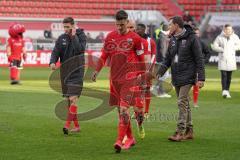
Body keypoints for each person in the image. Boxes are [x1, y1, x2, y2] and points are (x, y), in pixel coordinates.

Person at [91, 10, 145, 153]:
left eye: (122, 24)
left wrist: (143, 76)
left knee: (124, 109)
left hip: (130, 78)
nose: (120, 27)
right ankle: (131, 138)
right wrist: (96, 70)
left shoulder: (135, 38)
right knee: (120, 112)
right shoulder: (110, 37)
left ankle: (119, 141)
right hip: (114, 79)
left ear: (127, 22)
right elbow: (103, 56)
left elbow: (141, 59)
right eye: (117, 24)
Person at [156, 16, 205, 141]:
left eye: (170, 24)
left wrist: (201, 78)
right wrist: (159, 72)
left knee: (181, 101)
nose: (169, 27)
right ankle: (190, 131)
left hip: (188, 75)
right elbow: (167, 59)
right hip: (176, 75)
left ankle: (180, 131)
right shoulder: (172, 39)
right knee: (185, 104)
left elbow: (199, 59)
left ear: (177, 25)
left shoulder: (192, 38)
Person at [49, 17, 86, 135]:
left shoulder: (81, 36)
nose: (65, 29)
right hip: (65, 73)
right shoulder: (61, 38)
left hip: (77, 71)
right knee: (68, 101)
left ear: (73, 25)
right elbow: (56, 51)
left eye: (68, 27)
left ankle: (66, 125)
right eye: (64, 27)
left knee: (73, 98)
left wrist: (74, 36)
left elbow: (80, 50)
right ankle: (77, 126)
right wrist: (52, 62)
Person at [212, 24, 240, 98]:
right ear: (224, 30)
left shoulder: (235, 37)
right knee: (224, 75)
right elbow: (214, 46)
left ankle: (227, 90)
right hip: (223, 58)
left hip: (231, 59)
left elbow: (239, 45)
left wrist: (233, 48)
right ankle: (224, 91)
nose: (228, 31)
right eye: (227, 29)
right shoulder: (219, 37)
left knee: (229, 76)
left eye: (230, 29)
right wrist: (222, 49)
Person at [136, 23, 157, 118]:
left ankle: (146, 112)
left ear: (144, 30)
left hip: (147, 68)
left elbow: (153, 56)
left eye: (139, 29)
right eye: (137, 29)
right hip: (136, 68)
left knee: (147, 89)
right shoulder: (135, 40)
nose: (137, 31)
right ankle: (139, 111)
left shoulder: (150, 41)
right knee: (137, 90)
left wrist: (150, 69)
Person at [192, 27, 211, 107]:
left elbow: (208, 53)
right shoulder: (188, 42)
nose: (196, 35)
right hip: (188, 66)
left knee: (196, 84)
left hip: (197, 67)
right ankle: (183, 101)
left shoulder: (201, 43)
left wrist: (204, 61)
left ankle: (195, 103)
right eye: (195, 33)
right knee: (185, 84)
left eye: (197, 33)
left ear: (199, 34)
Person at [155, 24, 172, 98]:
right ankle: (159, 91)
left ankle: (158, 89)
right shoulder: (163, 37)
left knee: (163, 75)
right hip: (162, 59)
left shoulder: (162, 36)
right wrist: (165, 58)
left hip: (160, 59)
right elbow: (163, 49)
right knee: (163, 75)